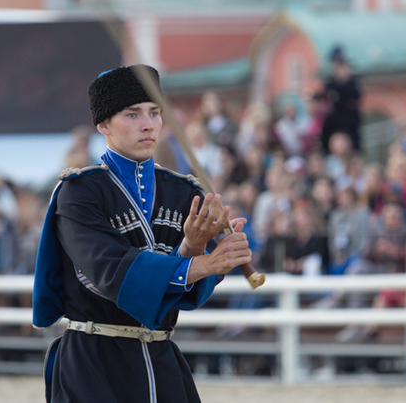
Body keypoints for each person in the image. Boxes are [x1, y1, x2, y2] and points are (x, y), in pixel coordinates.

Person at [32, 64, 253, 403]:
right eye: (132, 115)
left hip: (162, 363)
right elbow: (108, 273)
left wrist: (194, 249)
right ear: (104, 125)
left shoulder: (183, 191)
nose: (148, 124)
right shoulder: (79, 192)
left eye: (154, 113)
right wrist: (205, 264)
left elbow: (185, 295)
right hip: (93, 363)